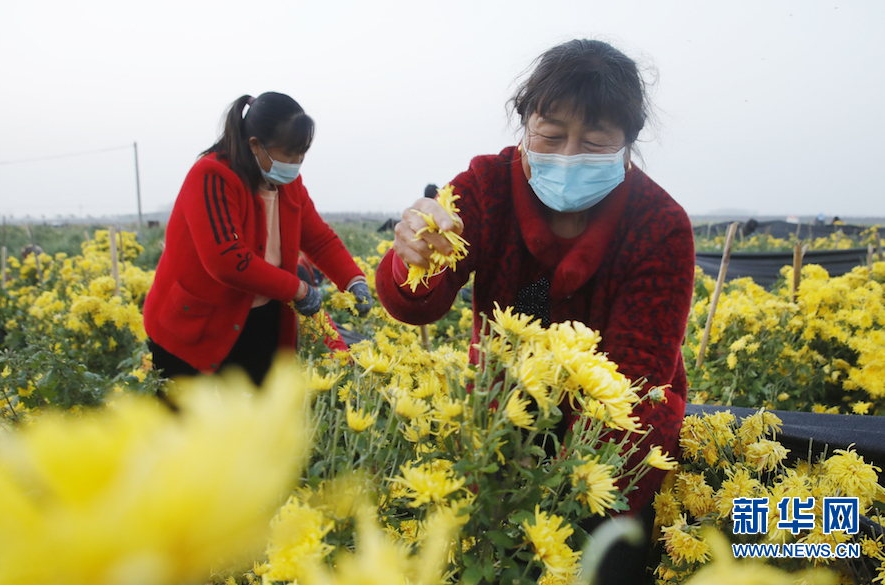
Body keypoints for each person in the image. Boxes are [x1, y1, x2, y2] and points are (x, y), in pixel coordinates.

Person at [375, 39, 694, 583]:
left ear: (627, 143)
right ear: (523, 124)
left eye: (594, 141)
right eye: (550, 135)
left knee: (596, 564)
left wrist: (566, 496)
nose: (568, 156)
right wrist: (413, 259)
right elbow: (416, 302)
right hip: (506, 411)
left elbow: (634, 383)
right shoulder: (485, 188)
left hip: (613, 436)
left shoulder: (659, 225)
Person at [143, 92, 373, 387]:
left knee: (255, 422)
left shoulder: (288, 185)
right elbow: (226, 259)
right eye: (289, 155)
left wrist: (353, 280)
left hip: (260, 320)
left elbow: (319, 239)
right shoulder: (212, 175)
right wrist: (299, 289)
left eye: (301, 154)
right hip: (198, 328)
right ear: (255, 146)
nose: (296, 163)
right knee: (189, 426)